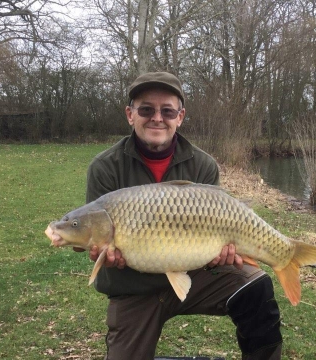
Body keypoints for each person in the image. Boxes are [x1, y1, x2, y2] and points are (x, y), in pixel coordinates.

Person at [79, 72, 282, 360]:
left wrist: (221, 254)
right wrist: (102, 252)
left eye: (167, 110)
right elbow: (93, 235)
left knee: (255, 286)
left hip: (195, 277)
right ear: (130, 114)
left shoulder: (203, 165)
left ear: (180, 116)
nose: (157, 118)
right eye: (146, 109)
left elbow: (216, 239)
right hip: (133, 291)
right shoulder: (104, 168)